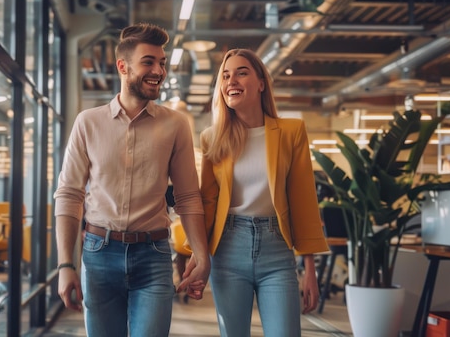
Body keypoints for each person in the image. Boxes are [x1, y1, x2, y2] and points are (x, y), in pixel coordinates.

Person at [53, 23, 210, 337]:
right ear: (122, 67)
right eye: (148, 62)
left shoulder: (176, 124)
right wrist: (65, 266)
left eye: (162, 63)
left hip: (152, 256)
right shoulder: (89, 123)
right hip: (98, 255)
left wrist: (201, 255)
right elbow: (69, 195)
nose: (158, 70)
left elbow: (188, 196)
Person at [189, 48, 329, 337]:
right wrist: (199, 258)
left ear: (261, 83)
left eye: (242, 72)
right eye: (225, 76)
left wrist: (310, 269)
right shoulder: (212, 139)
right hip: (228, 250)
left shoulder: (291, 131)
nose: (231, 81)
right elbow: (207, 203)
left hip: (277, 251)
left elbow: (303, 201)